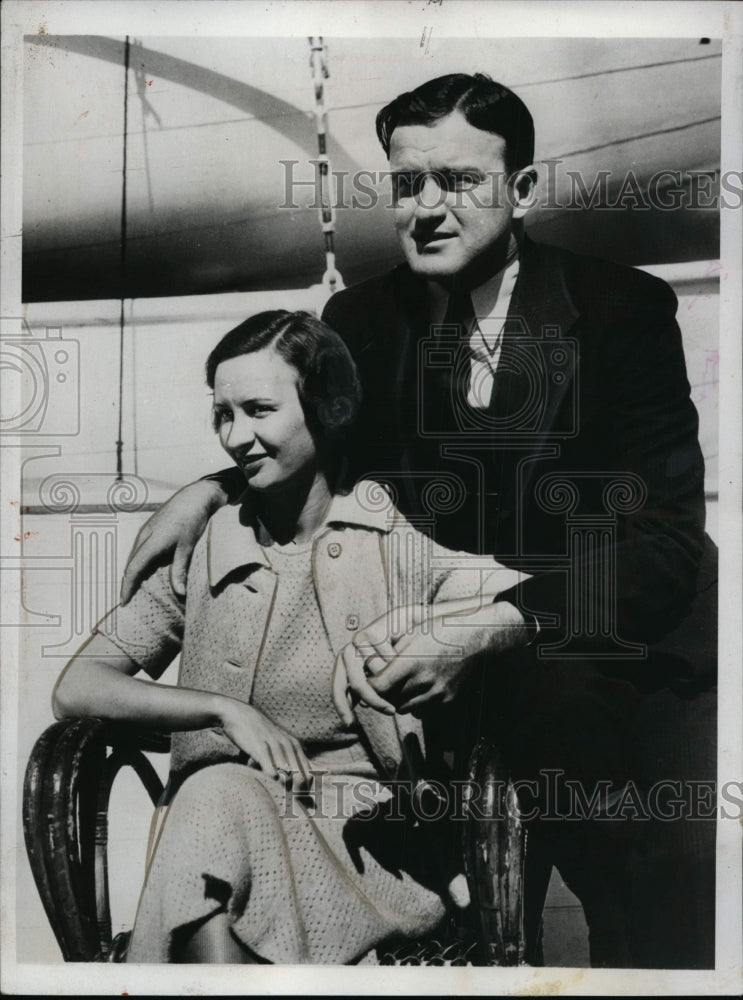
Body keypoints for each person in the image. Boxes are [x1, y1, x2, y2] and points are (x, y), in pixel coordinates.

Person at [119, 75, 718, 967]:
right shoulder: (360, 319)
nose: (427, 208)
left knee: (653, 892)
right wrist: (206, 489)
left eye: (458, 181)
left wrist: (487, 628)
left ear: (520, 189)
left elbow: (662, 545)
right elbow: (319, 445)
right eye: (407, 185)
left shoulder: (620, 310)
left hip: (615, 647)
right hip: (443, 667)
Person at [52, 310, 531, 964]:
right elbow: (78, 686)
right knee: (215, 796)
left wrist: (456, 637)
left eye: (257, 410)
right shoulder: (204, 548)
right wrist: (224, 710)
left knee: (210, 830)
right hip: (215, 834)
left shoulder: (398, 536)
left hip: (359, 847)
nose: (236, 436)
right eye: (222, 414)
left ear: (327, 411)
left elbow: (518, 600)